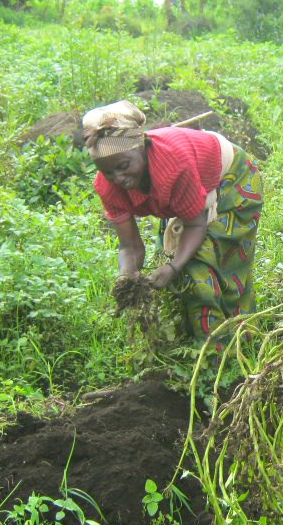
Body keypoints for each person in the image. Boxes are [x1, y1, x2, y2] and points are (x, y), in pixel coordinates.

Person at [87, 100, 262, 344]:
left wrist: (174, 267)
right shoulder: (108, 187)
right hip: (188, 193)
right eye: (108, 173)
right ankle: (198, 339)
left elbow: (194, 224)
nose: (118, 178)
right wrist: (126, 277)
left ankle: (233, 343)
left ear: (141, 147)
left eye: (123, 167)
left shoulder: (172, 165)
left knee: (213, 266)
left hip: (231, 177)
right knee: (182, 269)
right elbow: (130, 246)